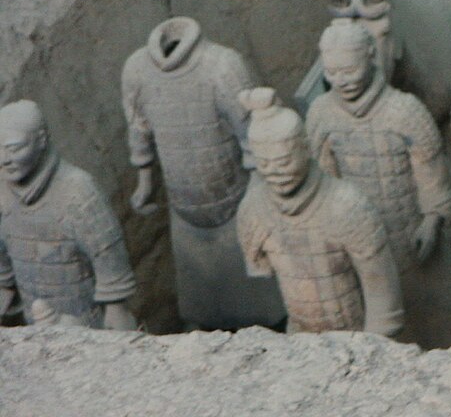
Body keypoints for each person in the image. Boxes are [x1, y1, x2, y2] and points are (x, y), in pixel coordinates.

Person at [305, 18, 451, 347]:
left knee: (440, 330)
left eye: (349, 70)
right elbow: (325, 183)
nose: (342, 81)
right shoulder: (321, 115)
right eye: (332, 73)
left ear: (371, 58)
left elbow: (430, 171)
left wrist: (433, 219)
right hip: (359, 244)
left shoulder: (405, 111)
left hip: (411, 236)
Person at [122, 16, 284, 329]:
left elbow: (250, 133)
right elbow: (139, 128)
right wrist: (145, 181)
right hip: (184, 211)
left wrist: (257, 193)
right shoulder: (136, 70)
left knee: (265, 309)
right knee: (204, 309)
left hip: (237, 205)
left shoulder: (222, 66)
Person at [237, 87, 403, 336]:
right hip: (299, 339)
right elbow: (261, 271)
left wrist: (373, 347)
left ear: (305, 148)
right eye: (264, 163)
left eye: (283, 161)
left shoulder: (347, 205)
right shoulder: (253, 210)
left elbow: (382, 295)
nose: (275, 172)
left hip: (355, 337)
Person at [0, 100, 136, 329]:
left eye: (14, 148)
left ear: (42, 140)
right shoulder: (2, 193)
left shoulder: (78, 190)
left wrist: (116, 311)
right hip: (31, 319)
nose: (4, 159)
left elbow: (107, 255)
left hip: (85, 321)